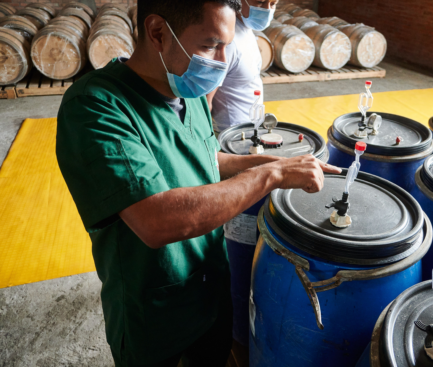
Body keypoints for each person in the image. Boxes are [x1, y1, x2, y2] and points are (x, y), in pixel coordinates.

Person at [56, 0, 340, 366]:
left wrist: (272, 161)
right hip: (159, 317)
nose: (222, 62)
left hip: (211, 296)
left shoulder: (187, 96)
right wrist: (269, 176)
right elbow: (156, 219)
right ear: (158, 32)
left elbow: (204, 160)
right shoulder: (97, 106)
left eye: (226, 46)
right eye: (209, 46)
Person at [209, 0, 278, 133]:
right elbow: (206, 100)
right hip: (231, 134)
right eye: (260, 2)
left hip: (250, 129)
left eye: (273, 3)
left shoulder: (246, 28)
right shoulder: (228, 42)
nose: (267, 10)